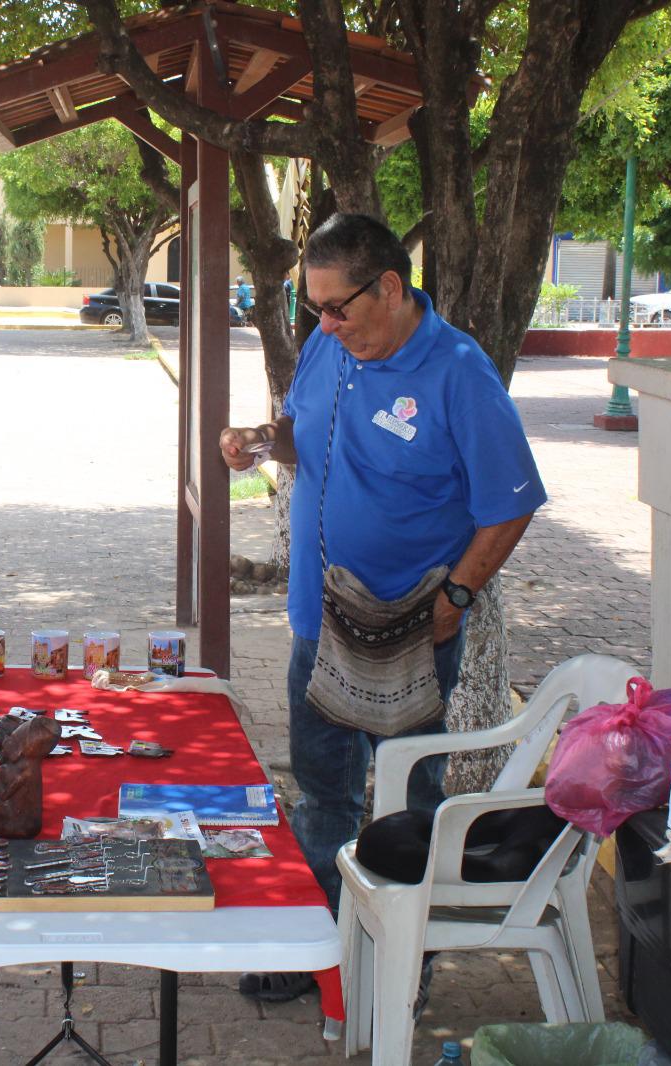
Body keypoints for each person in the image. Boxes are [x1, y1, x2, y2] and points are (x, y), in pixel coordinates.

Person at [219, 213, 546, 1003]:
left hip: (408, 629)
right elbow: (307, 437)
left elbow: (511, 503)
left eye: (338, 308)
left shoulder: (458, 372)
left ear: (391, 287)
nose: (325, 326)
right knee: (323, 789)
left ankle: (402, 962)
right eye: (315, 310)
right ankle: (320, 952)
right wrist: (261, 442)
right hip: (317, 621)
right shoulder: (332, 348)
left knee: (407, 797)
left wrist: (458, 595)